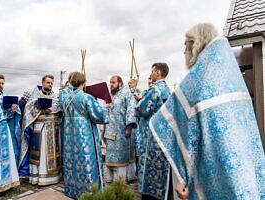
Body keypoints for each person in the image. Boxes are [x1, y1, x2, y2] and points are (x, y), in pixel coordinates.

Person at [149, 23, 265, 199]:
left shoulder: (199, 79)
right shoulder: (231, 76)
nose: (184, 51)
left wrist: (182, 176)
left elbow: (179, 125)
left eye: (186, 44)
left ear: (196, 43)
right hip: (244, 169)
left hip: (213, 170)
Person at [59, 72, 108, 199]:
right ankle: (87, 192)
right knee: (86, 161)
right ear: (84, 83)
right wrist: (105, 107)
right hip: (84, 136)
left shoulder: (64, 98)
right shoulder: (86, 98)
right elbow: (99, 116)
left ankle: (72, 190)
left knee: (72, 162)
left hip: (69, 136)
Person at [134, 63, 171, 200]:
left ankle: (148, 193)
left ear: (158, 72)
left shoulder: (155, 89)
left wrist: (138, 102)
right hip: (161, 133)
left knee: (148, 165)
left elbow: (142, 109)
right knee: (159, 166)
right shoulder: (167, 89)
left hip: (149, 135)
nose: (150, 74)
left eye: (152, 71)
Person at [18, 75, 62, 186]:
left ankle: (53, 177)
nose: (50, 85)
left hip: (52, 128)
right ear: (42, 82)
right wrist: (38, 108)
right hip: (39, 127)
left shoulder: (55, 96)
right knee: (40, 153)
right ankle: (38, 177)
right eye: (48, 82)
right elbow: (28, 111)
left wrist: (52, 109)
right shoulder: (35, 94)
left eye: (51, 83)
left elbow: (59, 108)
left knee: (51, 152)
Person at [104, 75, 137, 183]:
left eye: (113, 82)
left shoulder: (127, 93)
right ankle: (110, 177)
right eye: (110, 82)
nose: (111, 85)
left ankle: (121, 179)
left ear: (120, 83)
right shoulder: (110, 95)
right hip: (110, 130)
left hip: (121, 130)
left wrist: (129, 127)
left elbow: (131, 110)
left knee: (121, 156)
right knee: (110, 155)